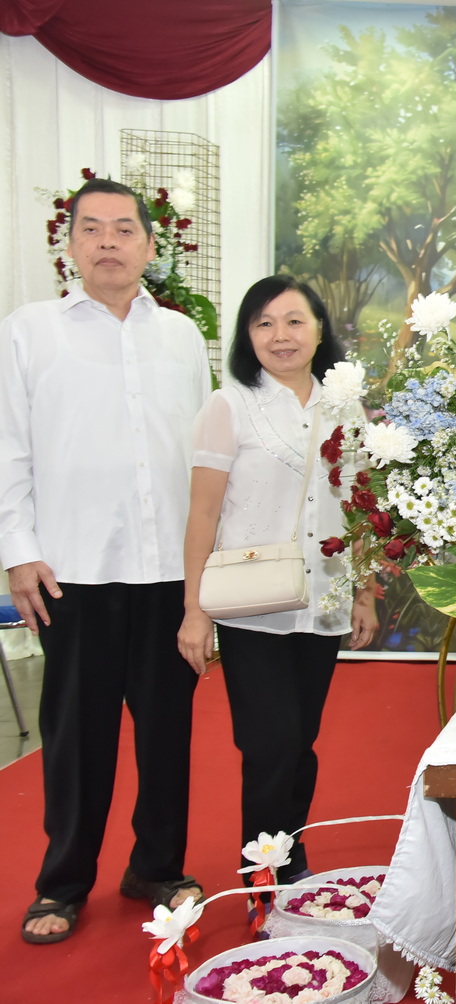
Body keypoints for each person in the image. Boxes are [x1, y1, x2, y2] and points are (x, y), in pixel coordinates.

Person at [1, 178, 211, 943]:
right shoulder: (30, 330)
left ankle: (155, 867)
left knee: (166, 734)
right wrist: (18, 552)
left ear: (151, 245)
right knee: (75, 737)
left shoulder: (181, 337)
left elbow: (204, 456)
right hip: (73, 571)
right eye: (92, 228)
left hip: (168, 572)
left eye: (124, 228)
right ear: (71, 244)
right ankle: (61, 884)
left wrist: (206, 575)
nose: (108, 242)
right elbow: (8, 447)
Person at [177, 276, 377, 887]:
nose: (280, 335)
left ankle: (291, 858)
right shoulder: (230, 405)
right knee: (271, 745)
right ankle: (262, 877)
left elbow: (360, 505)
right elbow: (203, 513)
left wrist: (365, 591)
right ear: (247, 335)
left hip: (324, 599)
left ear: (319, 329)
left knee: (301, 742)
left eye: (294, 321)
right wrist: (194, 610)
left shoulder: (344, 406)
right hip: (251, 605)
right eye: (264, 323)